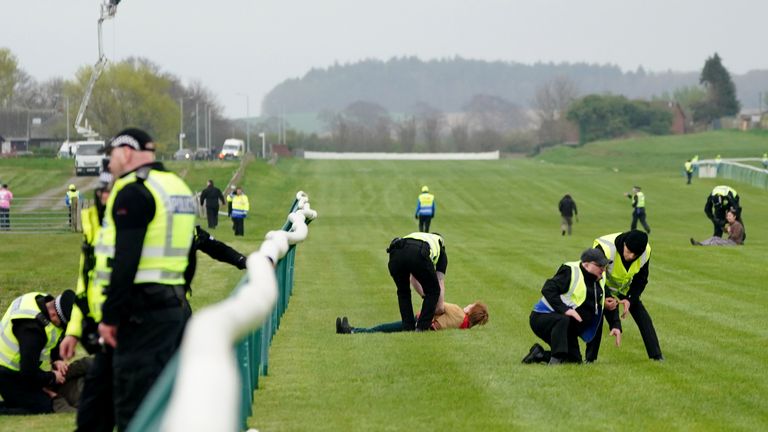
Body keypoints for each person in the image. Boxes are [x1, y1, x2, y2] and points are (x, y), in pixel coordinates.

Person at [60, 176, 247, 432]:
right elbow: (85, 287)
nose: (106, 197)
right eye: (103, 192)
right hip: (114, 323)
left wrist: (241, 260)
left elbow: (212, 246)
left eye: (112, 192)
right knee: (106, 399)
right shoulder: (96, 230)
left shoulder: (152, 227)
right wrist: (73, 331)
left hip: (159, 315)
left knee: (162, 381)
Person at [93, 128, 196, 431]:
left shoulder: (133, 190)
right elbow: (189, 253)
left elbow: (126, 260)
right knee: (165, 398)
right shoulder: (177, 186)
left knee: (135, 407)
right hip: (174, 307)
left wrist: (110, 316)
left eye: (111, 155)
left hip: (141, 312)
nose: (109, 164)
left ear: (125, 153)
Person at [522, 248, 621, 365]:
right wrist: (566, 310)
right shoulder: (570, 271)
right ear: (587, 265)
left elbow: (608, 300)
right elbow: (548, 289)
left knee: (574, 361)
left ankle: (539, 354)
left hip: (567, 327)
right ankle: (556, 359)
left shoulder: (599, 278)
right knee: (563, 318)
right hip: (542, 318)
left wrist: (615, 324)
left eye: (604, 266)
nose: (603, 269)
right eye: (600, 266)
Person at [587, 230, 663, 361]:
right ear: (624, 244)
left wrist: (629, 299)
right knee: (597, 314)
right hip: (600, 284)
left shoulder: (645, 251)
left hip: (624, 289)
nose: (631, 256)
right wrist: (608, 300)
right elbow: (595, 276)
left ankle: (656, 356)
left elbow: (641, 279)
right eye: (629, 251)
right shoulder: (604, 249)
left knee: (642, 315)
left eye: (635, 254)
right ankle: (590, 359)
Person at [0, 290, 76, 414]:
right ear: (53, 315)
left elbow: (56, 334)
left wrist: (57, 359)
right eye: (63, 325)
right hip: (6, 374)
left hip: (20, 368)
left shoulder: (45, 300)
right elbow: (28, 372)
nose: (64, 329)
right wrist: (52, 377)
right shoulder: (31, 331)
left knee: (44, 393)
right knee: (44, 405)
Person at [386, 232, 447, 332]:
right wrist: (438, 305)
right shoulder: (440, 248)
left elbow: (413, 278)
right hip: (418, 253)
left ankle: (408, 327)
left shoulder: (419, 236)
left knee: (403, 292)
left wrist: (426, 297)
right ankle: (422, 328)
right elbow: (439, 281)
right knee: (433, 291)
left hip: (395, 253)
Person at [336, 302, 488, 334]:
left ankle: (351, 331)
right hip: (425, 327)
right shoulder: (464, 326)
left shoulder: (458, 312)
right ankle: (351, 329)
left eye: (472, 305)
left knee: (383, 328)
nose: (468, 304)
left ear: (472, 310)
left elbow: (438, 304)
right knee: (385, 329)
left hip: (420, 323)